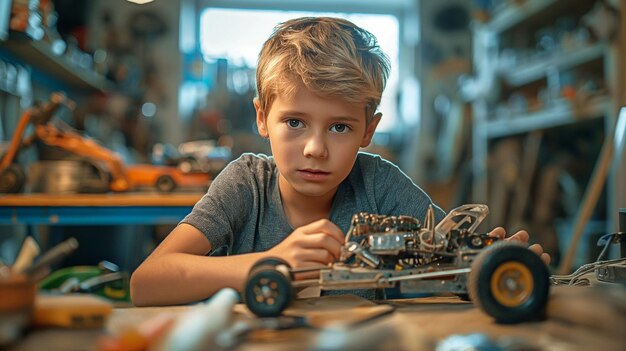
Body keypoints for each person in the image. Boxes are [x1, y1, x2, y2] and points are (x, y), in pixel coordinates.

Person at [130, 17, 549, 306]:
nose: (315, 148)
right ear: (262, 118)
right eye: (294, 121)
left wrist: (493, 267)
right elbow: (146, 284)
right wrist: (271, 263)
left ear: (369, 131)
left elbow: (444, 265)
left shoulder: (380, 183)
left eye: (340, 128)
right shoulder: (246, 184)